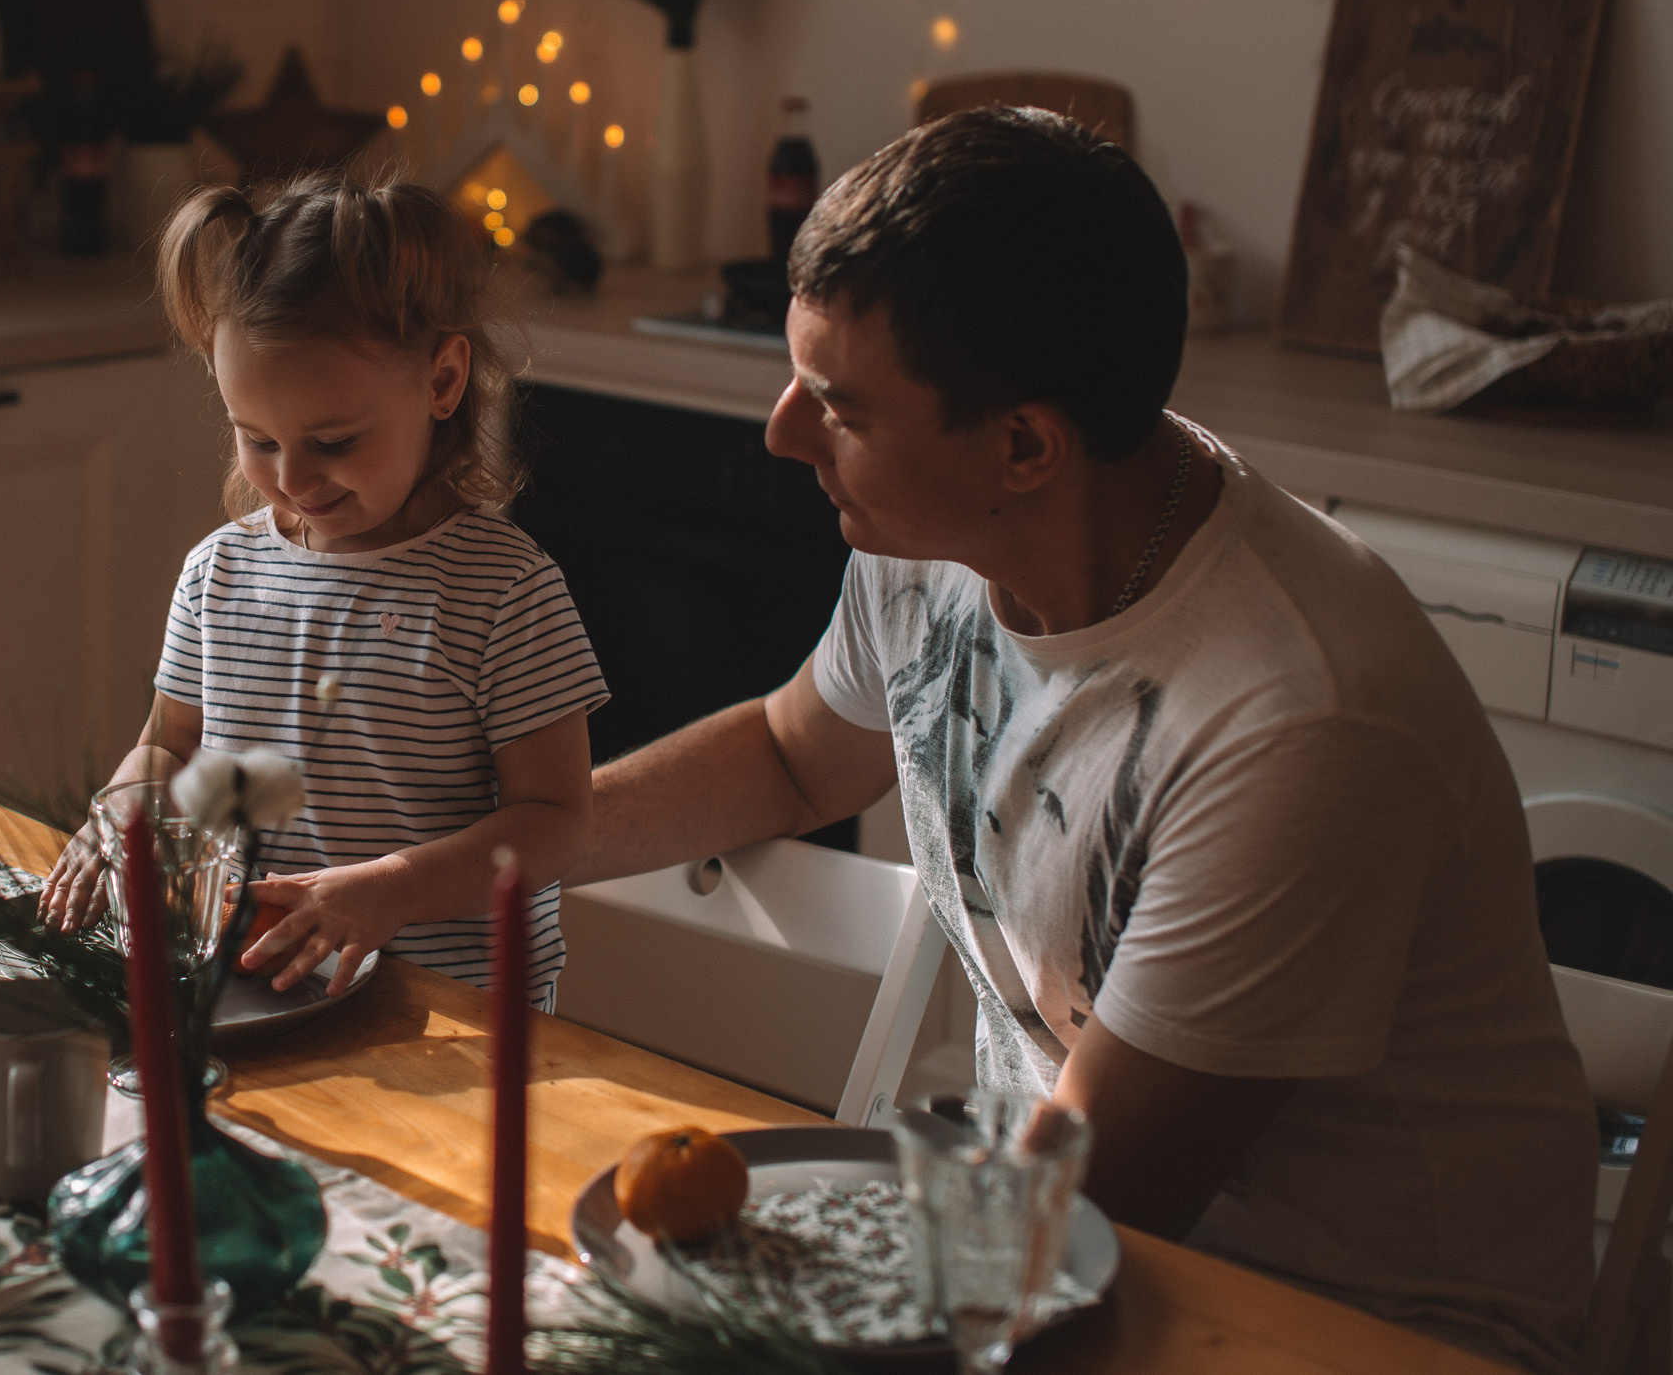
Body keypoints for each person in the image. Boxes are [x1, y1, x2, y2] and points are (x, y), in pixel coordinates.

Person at [568, 107, 1594, 1372]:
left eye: (836, 406)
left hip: (1354, 1325)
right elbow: (791, 759)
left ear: (1022, 446)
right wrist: (470, 855)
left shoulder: (1297, 719)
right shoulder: (939, 539)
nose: (781, 432)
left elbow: (1093, 1205)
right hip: (1050, 1239)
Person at [41, 172, 607, 1009]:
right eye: (258, 439)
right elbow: (169, 747)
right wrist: (122, 808)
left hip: (450, 1017)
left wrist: (394, 888)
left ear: (442, 381)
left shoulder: (504, 591)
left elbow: (556, 821)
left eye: (333, 441)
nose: (294, 478)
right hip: (259, 989)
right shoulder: (217, 574)